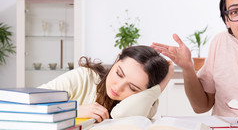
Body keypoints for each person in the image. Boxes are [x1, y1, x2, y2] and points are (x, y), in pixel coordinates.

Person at [39, 45, 174, 122]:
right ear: (117, 59)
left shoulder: (145, 102)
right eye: (119, 74)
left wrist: (165, 81)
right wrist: (73, 111)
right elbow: (25, 106)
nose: (118, 87)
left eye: (132, 88)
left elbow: (121, 115)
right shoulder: (83, 77)